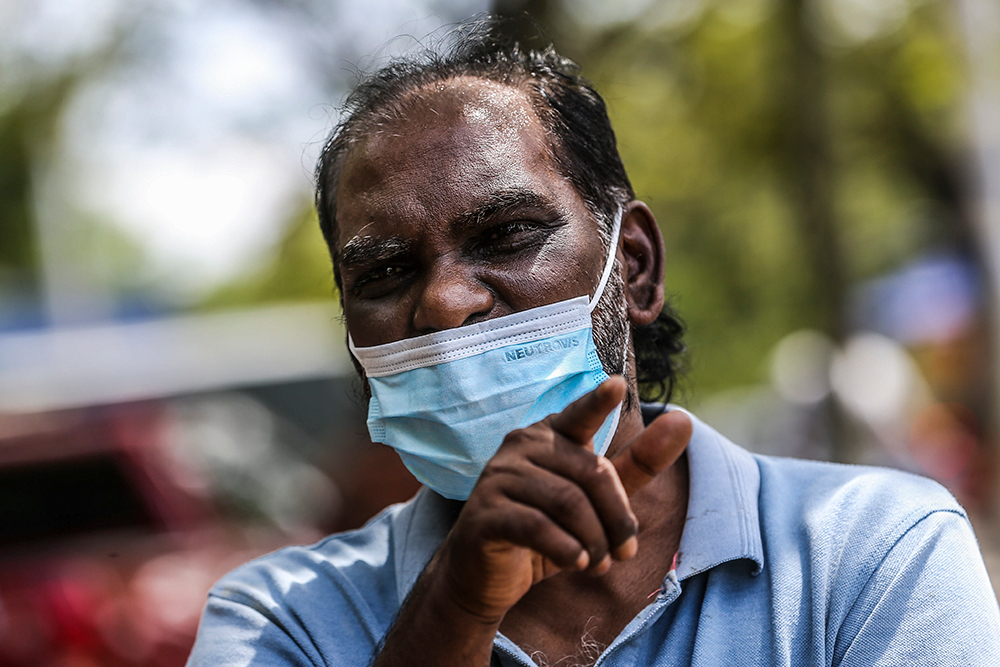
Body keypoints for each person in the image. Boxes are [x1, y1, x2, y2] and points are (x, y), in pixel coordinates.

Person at [186, 20, 1000, 667]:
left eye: (507, 234)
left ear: (634, 269)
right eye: (387, 272)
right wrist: (453, 613)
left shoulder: (868, 556)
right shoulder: (278, 623)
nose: (442, 301)